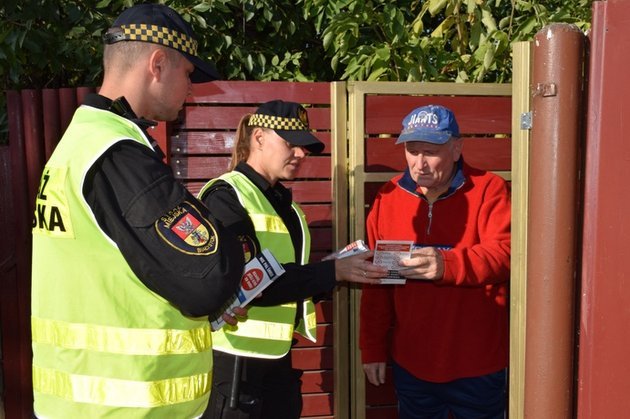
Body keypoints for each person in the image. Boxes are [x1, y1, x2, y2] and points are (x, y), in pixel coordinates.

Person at [30, 4, 246, 418]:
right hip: (131, 405)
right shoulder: (117, 155)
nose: (191, 89)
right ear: (158, 63)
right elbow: (208, 278)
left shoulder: (81, 141)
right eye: (188, 74)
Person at [197, 100, 388, 419]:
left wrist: (339, 269)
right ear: (258, 137)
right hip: (234, 365)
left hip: (277, 361)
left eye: (304, 147)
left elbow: (288, 277)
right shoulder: (225, 195)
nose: (301, 154)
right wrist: (333, 271)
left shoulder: (285, 205)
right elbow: (250, 281)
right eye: (291, 144)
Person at [359, 105, 511, 419]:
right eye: (412, 151)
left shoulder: (489, 189)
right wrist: (372, 348)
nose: (420, 163)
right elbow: (378, 280)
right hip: (412, 364)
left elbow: (506, 255)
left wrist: (446, 265)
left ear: (457, 148)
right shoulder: (388, 197)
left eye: (431, 151)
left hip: (478, 364)